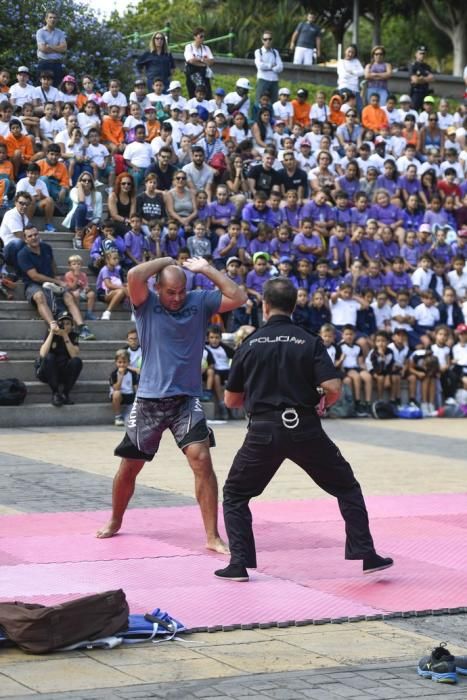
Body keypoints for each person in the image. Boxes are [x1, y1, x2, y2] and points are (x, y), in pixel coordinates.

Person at [214, 278, 393, 582]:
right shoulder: (309, 340)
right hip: (305, 427)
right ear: (295, 306)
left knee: (235, 494)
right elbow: (333, 387)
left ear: (265, 305)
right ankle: (366, 553)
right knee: (346, 486)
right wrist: (322, 401)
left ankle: (239, 564)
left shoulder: (249, 344)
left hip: (263, 431)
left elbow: (231, 400)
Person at [95, 255, 247, 552]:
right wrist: (167, 259)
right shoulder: (146, 303)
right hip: (150, 401)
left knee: (201, 459)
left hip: (185, 400)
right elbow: (135, 276)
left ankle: (212, 535)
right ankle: (115, 519)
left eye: (181, 291)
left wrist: (205, 270)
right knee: (130, 467)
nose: (177, 298)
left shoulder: (199, 301)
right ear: (158, 288)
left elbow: (238, 296)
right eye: (170, 292)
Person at [17, 225, 95, 340]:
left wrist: (56, 277)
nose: (34, 237)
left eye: (36, 234)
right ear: (25, 239)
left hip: (51, 282)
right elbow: (35, 277)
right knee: (39, 296)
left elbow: (52, 264)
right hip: (33, 285)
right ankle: (54, 326)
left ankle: (82, 327)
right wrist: (56, 280)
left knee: (68, 296)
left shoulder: (46, 247)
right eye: (30, 236)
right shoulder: (22, 254)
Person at [35, 310, 82, 407]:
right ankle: (55, 393)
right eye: (62, 323)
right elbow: (43, 354)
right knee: (49, 356)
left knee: (77, 361)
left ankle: (65, 394)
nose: (64, 326)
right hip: (47, 371)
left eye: (68, 323)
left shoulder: (73, 336)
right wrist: (52, 333)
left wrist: (65, 336)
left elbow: (74, 355)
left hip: (62, 371)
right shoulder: (50, 333)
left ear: (72, 325)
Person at [35, 10, 67, 86]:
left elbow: (64, 48)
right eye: (50, 17)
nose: (53, 19)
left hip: (57, 64)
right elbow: (43, 49)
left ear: (57, 20)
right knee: (41, 89)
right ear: (46, 19)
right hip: (44, 63)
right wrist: (58, 48)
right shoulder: (40, 32)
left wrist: (49, 46)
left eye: (55, 18)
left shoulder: (60, 33)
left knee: (56, 89)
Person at [110, 348, 139, 427]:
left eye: (124, 362)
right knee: (116, 393)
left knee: (130, 421)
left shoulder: (132, 373)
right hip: (119, 396)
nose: (122, 365)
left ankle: (129, 415)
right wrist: (121, 376)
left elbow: (135, 387)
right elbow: (116, 388)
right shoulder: (114, 374)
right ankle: (118, 417)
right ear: (116, 362)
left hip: (129, 396)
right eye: (119, 362)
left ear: (128, 363)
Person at [184, 27, 214, 99]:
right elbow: (190, 61)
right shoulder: (189, 47)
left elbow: (211, 62)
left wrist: (198, 61)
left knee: (207, 95)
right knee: (194, 96)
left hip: (204, 76)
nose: (203, 38)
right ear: (195, 37)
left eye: (204, 36)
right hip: (192, 75)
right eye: (201, 36)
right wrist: (203, 61)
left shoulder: (206, 48)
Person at [254, 31, 283, 104]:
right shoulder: (258, 51)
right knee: (259, 101)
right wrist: (272, 66)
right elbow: (260, 66)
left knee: (274, 103)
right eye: (265, 39)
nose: (268, 41)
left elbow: (280, 67)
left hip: (274, 80)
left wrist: (269, 67)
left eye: (270, 39)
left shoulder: (275, 52)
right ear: (262, 40)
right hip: (263, 79)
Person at [409, 46, 434, 112]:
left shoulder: (427, 67)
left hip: (425, 92)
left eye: (424, 53)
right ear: (416, 54)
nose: (422, 55)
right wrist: (425, 79)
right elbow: (415, 80)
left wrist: (421, 78)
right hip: (416, 93)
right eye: (420, 53)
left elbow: (432, 79)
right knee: (414, 112)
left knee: (426, 113)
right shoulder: (413, 66)